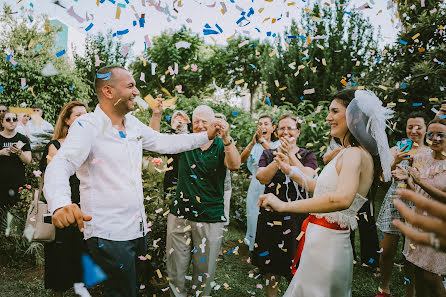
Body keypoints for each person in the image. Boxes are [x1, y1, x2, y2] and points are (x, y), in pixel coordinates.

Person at [43, 65, 222, 297]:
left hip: (137, 230)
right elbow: (60, 163)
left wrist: (205, 136)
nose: (137, 92)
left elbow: (164, 142)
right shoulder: (87, 125)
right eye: (130, 86)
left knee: (131, 289)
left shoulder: (133, 125)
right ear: (108, 91)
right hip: (109, 233)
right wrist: (59, 203)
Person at [258, 89, 393, 297]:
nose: (328, 117)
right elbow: (320, 186)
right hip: (321, 241)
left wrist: (284, 205)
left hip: (329, 247)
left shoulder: (354, 154)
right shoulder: (347, 153)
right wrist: (289, 170)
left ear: (354, 116)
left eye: (334, 111)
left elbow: (341, 199)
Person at [166, 105, 241, 297]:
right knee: (176, 267)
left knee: (204, 270)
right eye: (196, 121)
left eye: (204, 121)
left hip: (210, 216)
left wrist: (226, 138)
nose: (199, 125)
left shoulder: (220, 144)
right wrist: (159, 114)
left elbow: (235, 165)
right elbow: (155, 142)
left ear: (213, 123)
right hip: (180, 214)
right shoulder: (185, 142)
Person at [253, 114, 318, 297]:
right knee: (271, 267)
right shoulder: (267, 153)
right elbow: (262, 177)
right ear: (276, 131)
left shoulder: (307, 155)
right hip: (271, 216)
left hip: (298, 217)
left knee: (297, 266)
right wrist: (278, 158)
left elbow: (310, 179)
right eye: (282, 128)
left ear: (298, 132)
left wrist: (290, 156)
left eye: (290, 128)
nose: (286, 132)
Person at [375, 111, 430, 297]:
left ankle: (410, 292)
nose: (413, 130)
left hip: (417, 207)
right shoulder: (396, 149)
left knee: (411, 256)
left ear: (426, 129)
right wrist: (395, 161)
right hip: (395, 203)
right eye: (410, 127)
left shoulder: (430, 153)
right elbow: (382, 179)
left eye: (418, 127)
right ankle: (384, 287)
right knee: (387, 252)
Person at [392, 118, 446, 297]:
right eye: (431, 134)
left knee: (432, 275)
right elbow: (419, 192)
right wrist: (407, 180)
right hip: (417, 221)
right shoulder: (420, 158)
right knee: (419, 273)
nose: (435, 138)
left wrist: (420, 181)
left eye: (441, 135)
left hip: (437, 225)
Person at [41, 101, 88, 297]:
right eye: (78, 115)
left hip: (84, 204)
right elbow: (52, 177)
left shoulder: (89, 145)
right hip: (62, 205)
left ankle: (81, 290)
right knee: (59, 252)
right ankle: (57, 291)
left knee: (81, 251)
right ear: (67, 120)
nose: (83, 118)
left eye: (86, 114)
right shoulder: (55, 145)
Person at [240, 115, 279, 251]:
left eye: (266, 124)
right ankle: (254, 248)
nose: (263, 126)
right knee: (253, 217)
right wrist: (252, 143)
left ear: (273, 128)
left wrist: (262, 141)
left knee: (269, 218)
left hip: (272, 187)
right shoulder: (256, 146)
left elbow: (275, 155)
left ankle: (268, 249)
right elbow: (241, 160)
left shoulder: (277, 144)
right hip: (255, 187)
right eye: (260, 124)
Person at [0, 111, 32, 219]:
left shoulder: (22, 139)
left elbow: (28, 160)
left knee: (16, 216)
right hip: (1, 183)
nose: (11, 122)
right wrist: (1, 152)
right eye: (8, 119)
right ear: (2, 122)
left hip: (18, 183)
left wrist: (19, 152)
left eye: (14, 119)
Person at [214, 113, 233, 226]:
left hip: (224, 183)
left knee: (224, 208)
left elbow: (231, 163)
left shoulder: (228, 140)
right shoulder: (205, 139)